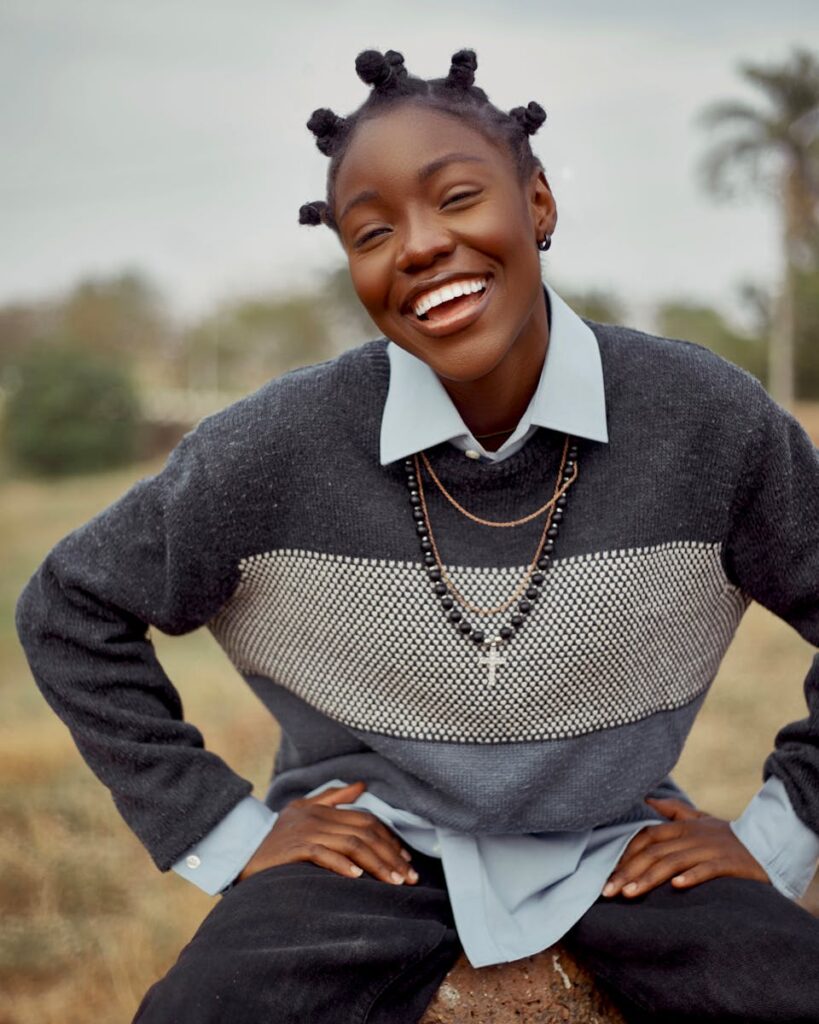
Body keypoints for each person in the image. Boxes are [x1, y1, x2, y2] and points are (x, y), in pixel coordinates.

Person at [15, 47, 819, 1024]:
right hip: (372, 851)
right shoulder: (273, 448)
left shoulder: (705, 421)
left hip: (619, 843)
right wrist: (223, 828)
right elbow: (70, 604)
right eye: (372, 230)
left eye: (459, 196)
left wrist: (782, 828)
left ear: (541, 203)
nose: (421, 245)